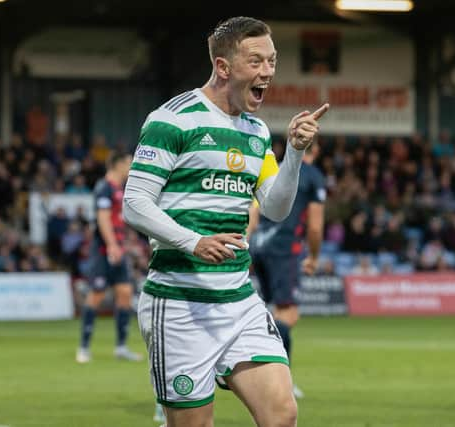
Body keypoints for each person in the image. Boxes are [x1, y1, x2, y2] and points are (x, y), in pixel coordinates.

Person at [123, 16, 328, 427]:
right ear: (223, 67)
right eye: (256, 61)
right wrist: (192, 241)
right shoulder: (172, 120)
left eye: (272, 61)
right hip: (179, 304)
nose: (267, 71)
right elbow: (134, 203)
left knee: (282, 414)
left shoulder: (255, 131)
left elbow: (275, 208)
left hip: (238, 299)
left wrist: (295, 153)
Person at [247, 142, 326, 399]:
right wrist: (313, 257)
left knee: (274, 311)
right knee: (288, 314)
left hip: (260, 246)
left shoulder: (275, 169)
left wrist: (246, 246)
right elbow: (315, 227)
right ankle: (279, 383)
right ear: (316, 150)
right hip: (284, 248)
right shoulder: (312, 176)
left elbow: (253, 212)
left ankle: (269, 376)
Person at [76, 151, 142, 364]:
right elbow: (102, 218)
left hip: (119, 250)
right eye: (128, 163)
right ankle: (84, 347)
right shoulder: (104, 187)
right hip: (104, 251)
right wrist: (112, 244)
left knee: (125, 293)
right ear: (116, 165)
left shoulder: (118, 189)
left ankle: (121, 347)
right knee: (96, 295)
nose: (130, 167)